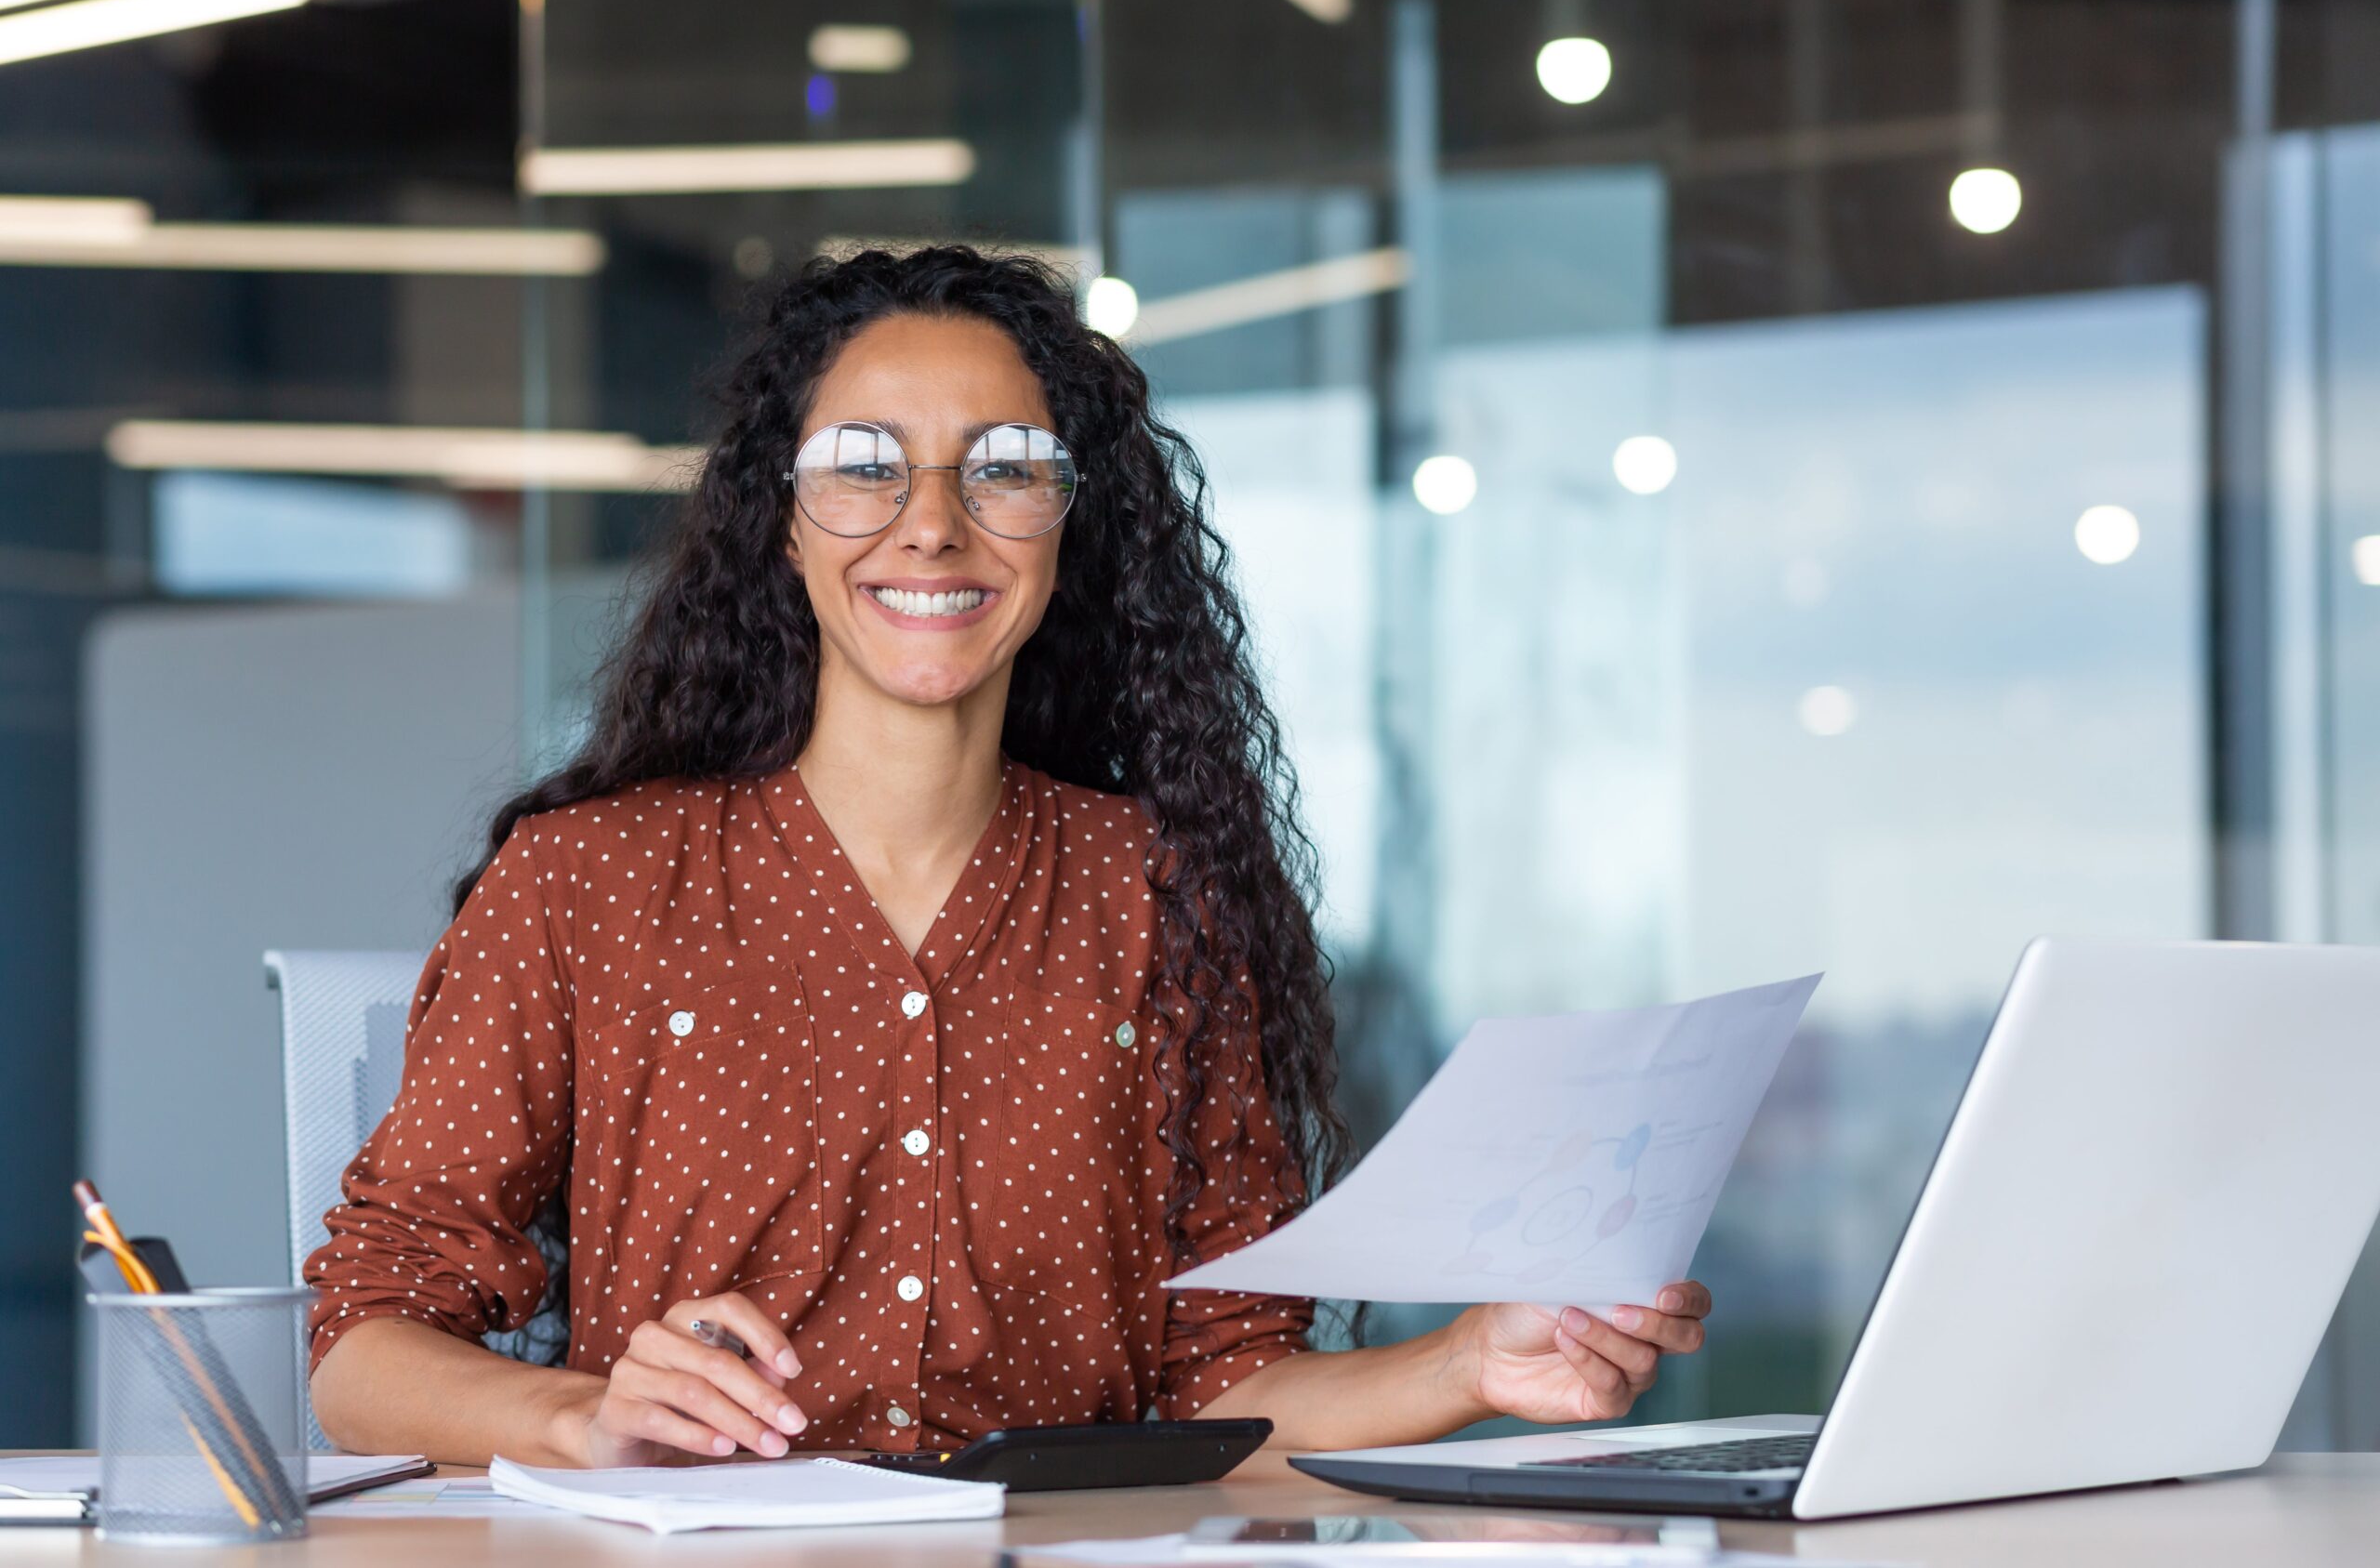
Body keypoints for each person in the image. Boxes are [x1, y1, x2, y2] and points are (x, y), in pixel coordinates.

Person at [304, 245, 1712, 1467]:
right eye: (863, 467)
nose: (932, 521)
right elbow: (365, 1346)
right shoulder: (585, 886)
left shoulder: (1164, 896)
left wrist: (1469, 1362)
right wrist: (584, 1418)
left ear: (1066, 522)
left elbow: (1221, 1387)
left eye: (1006, 469)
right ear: (778, 523)